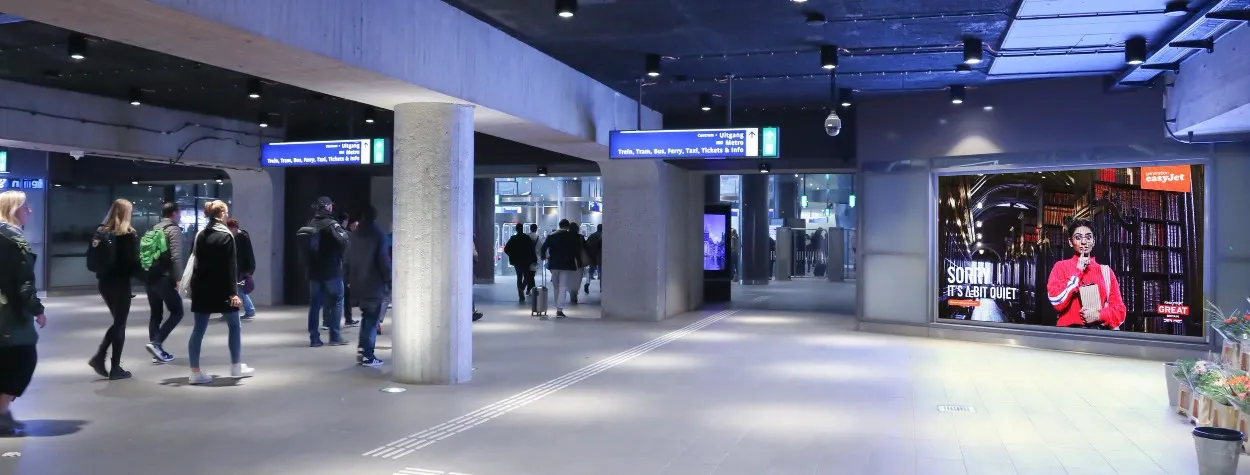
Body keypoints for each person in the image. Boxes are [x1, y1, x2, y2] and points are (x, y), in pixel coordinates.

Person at [186, 200, 255, 384]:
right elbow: (230, 267)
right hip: (223, 289)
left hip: (201, 288)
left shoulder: (200, 234)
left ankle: (195, 372)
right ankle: (236, 366)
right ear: (222, 213)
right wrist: (234, 293)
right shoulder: (226, 235)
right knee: (234, 326)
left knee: (198, 330)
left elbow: (194, 260)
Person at [0, 190, 47, 434]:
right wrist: (37, 310)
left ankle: (4, 412)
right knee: (23, 359)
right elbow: (24, 282)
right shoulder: (14, 238)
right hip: (9, 312)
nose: (29, 210)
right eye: (24, 206)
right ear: (13, 209)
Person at [89, 199, 141, 380]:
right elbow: (132, 263)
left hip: (104, 283)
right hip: (120, 283)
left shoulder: (101, 232)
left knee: (118, 322)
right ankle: (112, 366)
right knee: (120, 324)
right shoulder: (127, 234)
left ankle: (101, 358)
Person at [1046, 219, 1126, 329]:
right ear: (1070, 242)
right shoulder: (1061, 267)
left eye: (1088, 237)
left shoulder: (1106, 271)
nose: (1084, 242)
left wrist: (1098, 315)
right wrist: (1078, 272)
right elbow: (1056, 301)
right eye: (1078, 237)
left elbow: (1120, 312)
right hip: (1068, 334)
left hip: (1097, 335)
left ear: (1093, 241)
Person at [299, 197, 350, 347]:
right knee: (337, 300)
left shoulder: (310, 224)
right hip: (331, 270)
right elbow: (344, 241)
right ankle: (335, 337)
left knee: (315, 305)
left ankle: (314, 338)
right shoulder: (331, 224)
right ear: (328, 207)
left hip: (314, 272)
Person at [345, 206, 391, 367]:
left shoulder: (355, 235)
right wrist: (389, 279)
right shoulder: (378, 234)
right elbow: (383, 260)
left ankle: (362, 349)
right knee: (371, 319)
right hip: (373, 283)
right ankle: (367, 354)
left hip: (357, 283)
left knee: (366, 317)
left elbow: (347, 258)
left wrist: (348, 278)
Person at [143, 202, 185, 364]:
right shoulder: (173, 229)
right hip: (163, 277)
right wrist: (178, 278)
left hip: (149, 276)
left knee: (156, 314)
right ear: (173, 213)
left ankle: (157, 352)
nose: (180, 216)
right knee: (177, 311)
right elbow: (176, 257)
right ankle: (156, 344)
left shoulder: (154, 228)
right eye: (179, 213)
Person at [540, 219, 583, 319]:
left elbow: (543, 247)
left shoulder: (552, 236)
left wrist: (543, 256)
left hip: (554, 264)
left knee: (556, 286)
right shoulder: (572, 237)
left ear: (559, 225)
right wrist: (579, 263)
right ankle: (559, 310)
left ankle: (557, 305)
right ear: (568, 227)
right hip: (566, 265)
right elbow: (576, 251)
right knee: (563, 287)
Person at [225, 219, 257, 320]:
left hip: (241, 268)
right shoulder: (234, 237)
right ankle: (248, 310)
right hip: (237, 268)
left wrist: (250, 270)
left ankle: (249, 310)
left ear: (235, 228)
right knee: (239, 290)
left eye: (230, 228)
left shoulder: (242, 237)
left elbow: (248, 254)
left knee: (239, 290)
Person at [336, 211, 359, 328]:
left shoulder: (333, 232)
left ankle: (328, 321)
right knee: (346, 295)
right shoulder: (347, 235)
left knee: (333, 296)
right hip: (345, 268)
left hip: (334, 267)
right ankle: (348, 319)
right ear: (345, 221)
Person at [503, 224, 537, 303]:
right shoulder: (526, 238)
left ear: (516, 229)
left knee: (519, 277)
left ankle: (521, 296)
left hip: (516, 261)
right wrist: (534, 259)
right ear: (522, 229)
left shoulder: (513, 238)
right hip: (526, 261)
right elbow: (532, 249)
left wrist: (512, 255)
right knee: (527, 276)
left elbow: (506, 249)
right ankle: (522, 287)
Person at [585, 224, 602, 293]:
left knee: (590, 271)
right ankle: (601, 288)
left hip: (592, 256)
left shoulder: (592, 236)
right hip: (600, 256)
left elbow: (586, 245)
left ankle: (587, 283)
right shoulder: (603, 236)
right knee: (601, 272)